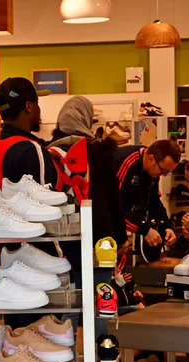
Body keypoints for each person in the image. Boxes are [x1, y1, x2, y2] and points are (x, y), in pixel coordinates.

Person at [0, 77, 64, 362]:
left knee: (13, 346)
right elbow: (45, 209)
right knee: (35, 349)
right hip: (33, 261)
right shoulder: (32, 149)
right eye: (38, 104)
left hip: (6, 259)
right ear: (29, 107)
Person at [50, 96, 129, 258]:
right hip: (98, 229)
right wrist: (121, 237)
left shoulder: (49, 151)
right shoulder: (100, 152)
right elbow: (113, 198)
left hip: (60, 232)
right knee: (99, 281)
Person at [115, 140, 180, 250]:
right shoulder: (126, 163)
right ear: (151, 159)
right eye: (163, 171)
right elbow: (114, 208)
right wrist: (144, 230)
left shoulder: (152, 168)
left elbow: (153, 200)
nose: (164, 175)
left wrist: (167, 226)